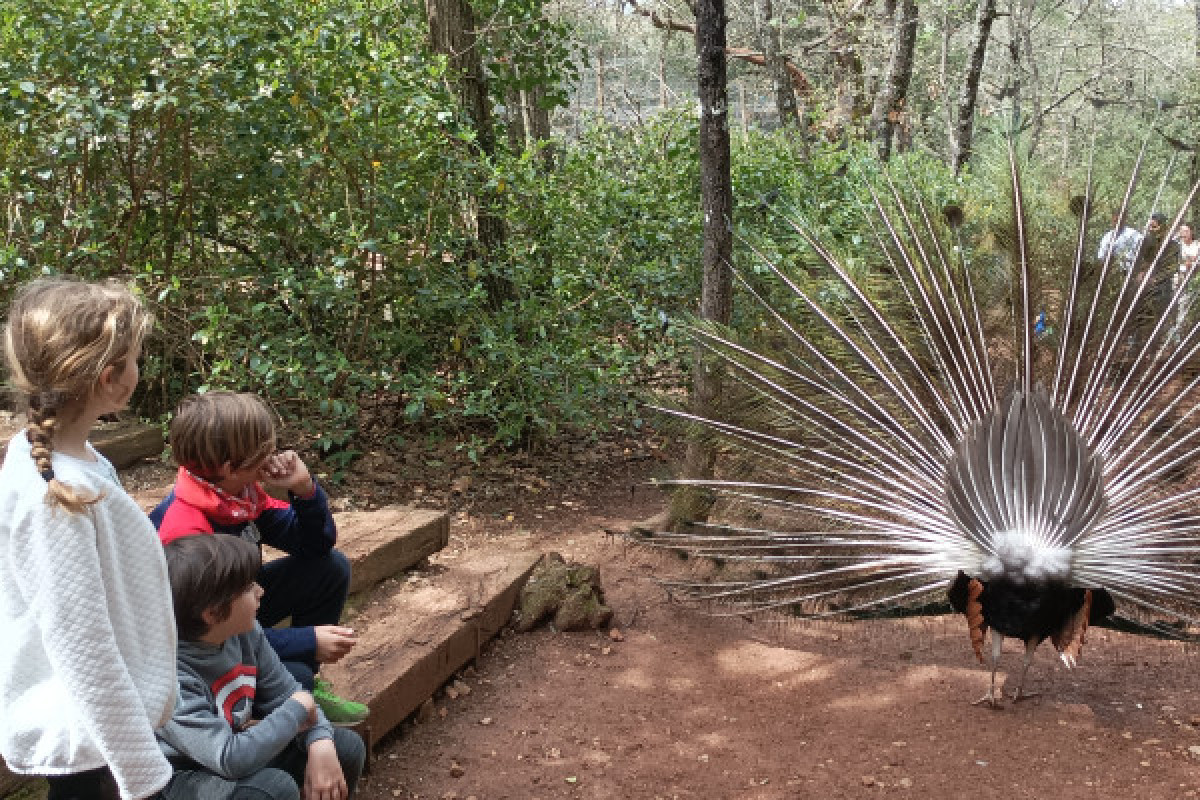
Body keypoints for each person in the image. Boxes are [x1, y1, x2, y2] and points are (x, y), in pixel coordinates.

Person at [0, 279, 177, 800]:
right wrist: (142, 772)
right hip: (90, 735)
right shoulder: (56, 498)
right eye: (136, 359)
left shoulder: (60, 458)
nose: (140, 369)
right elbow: (82, 646)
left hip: (99, 728)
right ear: (110, 379)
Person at [150, 391, 368, 725]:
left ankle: (300, 687)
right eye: (263, 452)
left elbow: (315, 546)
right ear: (229, 468)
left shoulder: (238, 497)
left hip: (236, 606)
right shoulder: (188, 534)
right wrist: (306, 641)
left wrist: (304, 490)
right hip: (200, 645)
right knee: (295, 674)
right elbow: (208, 634)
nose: (272, 456)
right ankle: (288, 703)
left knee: (330, 568)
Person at [157, 534, 365, 800]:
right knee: (272, 789)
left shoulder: (244, 632)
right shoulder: (172, 677)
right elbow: (229, 757)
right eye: (247, 588)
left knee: (345, 748)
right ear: (213, 613)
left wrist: (320, 740)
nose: (260, 591)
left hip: (232, 749)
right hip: (185, 776)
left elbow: (286, 692)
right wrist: (299, 707)